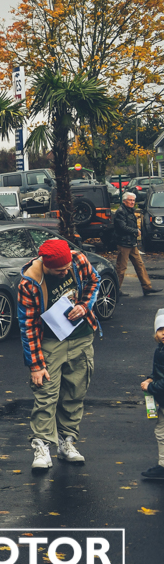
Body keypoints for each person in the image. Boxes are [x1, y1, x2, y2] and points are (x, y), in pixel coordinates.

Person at [17, 237, 101, 470]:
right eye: (59, 271)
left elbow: (94, 280)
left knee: (75, 391)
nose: (65, 273)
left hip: (81, 337)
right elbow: (27, 325)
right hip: (50, 342)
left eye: (67, 268)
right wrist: (35, 365)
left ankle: (67, 442)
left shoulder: (78, 260)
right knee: (46, 394)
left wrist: (84, 306)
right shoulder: (29, 283)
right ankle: (42, 446)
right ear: (46, 265)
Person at [112, 191, 160, 296]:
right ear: (124, 201)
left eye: (133, 200)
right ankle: (115, 290)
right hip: (124, 243)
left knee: (140, 265)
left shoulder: (129, 211)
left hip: (132, 243)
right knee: (121, 268)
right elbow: (122, 227)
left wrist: (135, 232)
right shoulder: (121, 212)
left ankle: (147, 287)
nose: (132, 202)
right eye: (130, 200)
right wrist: (135, 231)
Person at [141, 308, 164, 481]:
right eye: (160, 329)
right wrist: (151, 378)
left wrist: (151, 387)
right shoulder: (160, 349)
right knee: (161, 431)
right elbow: (159, 372)